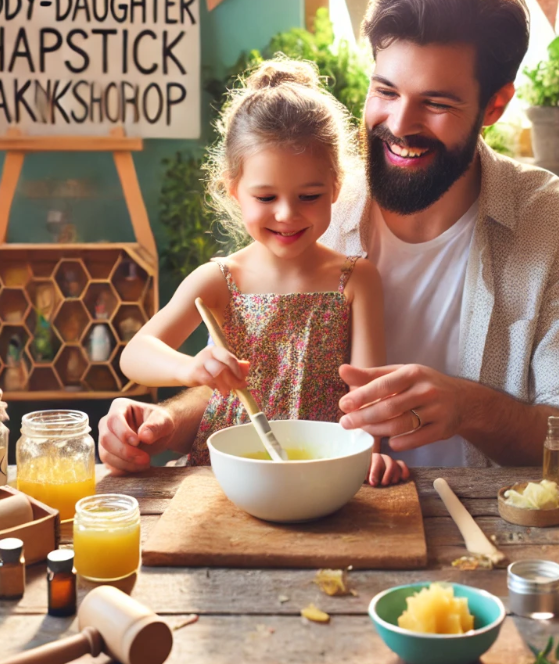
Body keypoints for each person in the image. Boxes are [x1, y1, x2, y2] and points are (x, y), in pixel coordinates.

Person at [101, 0, 559, 473]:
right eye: (386, 91)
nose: (400, 124)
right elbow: (266, 384)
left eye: (437, 103)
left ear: (495, 106)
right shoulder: (310, 207)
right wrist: (167, 420)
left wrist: (470, 408)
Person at [117, 56, 408, 485]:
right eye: (266, 197)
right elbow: (135, 354)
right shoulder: (217, 280)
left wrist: (369, 453)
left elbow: (364, 399)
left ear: (335, 188)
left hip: (319, 471)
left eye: (309, 195)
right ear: (234, 188)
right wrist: (191, 368)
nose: (288, 214)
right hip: (223, 474)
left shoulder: (357, 279)